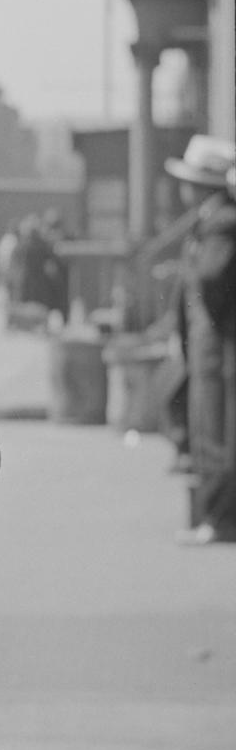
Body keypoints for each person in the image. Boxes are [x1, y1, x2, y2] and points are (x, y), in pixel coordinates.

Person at [165, 136, 236, 546]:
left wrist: (209, 320)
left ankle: (221, 519)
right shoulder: (212, 221)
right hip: (207, 342)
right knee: (210, 425)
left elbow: (210, 278)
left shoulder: (221, 222)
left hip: (215, 344)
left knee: (216, 430)